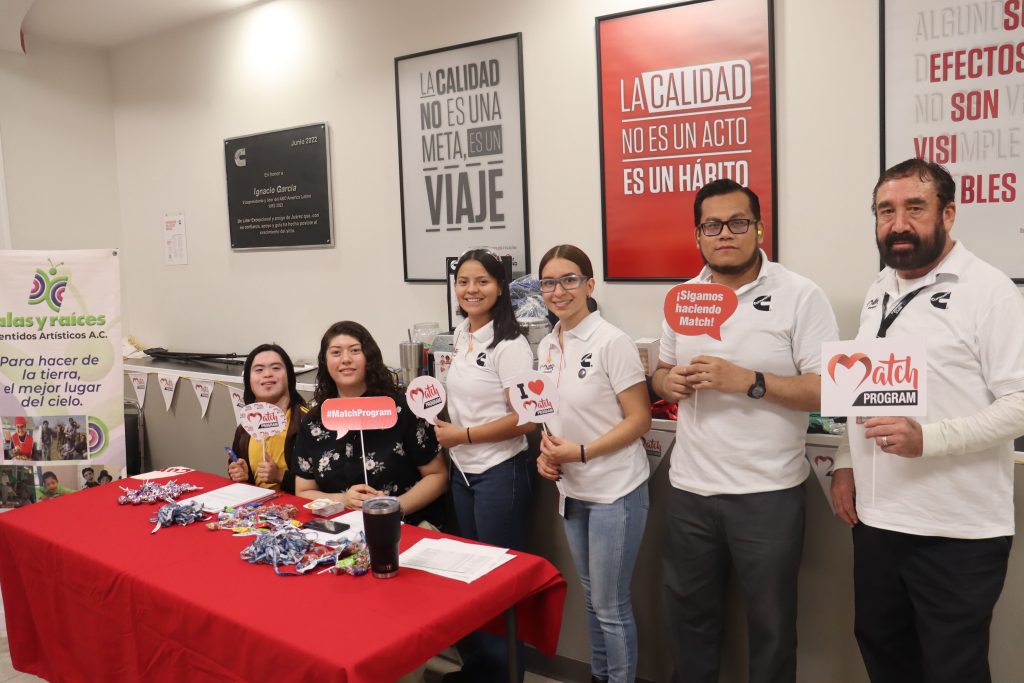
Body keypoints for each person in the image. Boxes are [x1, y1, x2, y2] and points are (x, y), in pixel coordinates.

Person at [830, 159, 1024, 683]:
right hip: (877, 523)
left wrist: (929, 439)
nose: (898, 224)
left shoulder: (990, 292)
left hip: (956, 532)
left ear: (949, 214)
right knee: (884, 654)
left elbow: (1021, 402)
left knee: (951, 670)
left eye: (915, 208)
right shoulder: (879, 290)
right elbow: (863, 391)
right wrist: (847, 461)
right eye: (885, 211)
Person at [653, 178, 839, 683]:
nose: (725, 234)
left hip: (768, 494)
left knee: (772, 630)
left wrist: (750, 382)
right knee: (689, 624)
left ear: (759, 228)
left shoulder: (800, 295)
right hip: (690, 489)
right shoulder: (684, 297)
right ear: (698, 236)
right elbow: (661, 371)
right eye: (712, 225)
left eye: (738, 222)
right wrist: (669, 381)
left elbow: (829, 389)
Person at [535, 244, 651, 683]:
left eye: (569, 280)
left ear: (589, 284)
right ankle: (600, 676)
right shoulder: (547, 345)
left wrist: (581, 452)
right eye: (549, 282)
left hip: (614, 491)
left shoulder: (611, 341)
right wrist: (547, 456)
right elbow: (550, 413)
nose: (558, 291)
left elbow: (639, 419)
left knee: (611, 606)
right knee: (590, 598)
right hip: (573, 490)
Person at [432, 249, 536, 682]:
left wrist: (465, 436)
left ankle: (505, 674)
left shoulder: (510, 344)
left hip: (500, 472)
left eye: (482, 281)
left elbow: (527, 419)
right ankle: (479, 670)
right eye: (463, 282)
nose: (471, 290)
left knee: (498, 581)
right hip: (463, 472)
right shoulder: (462, 333)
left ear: (500, 288)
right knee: (471, 577)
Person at [293, 321, 447, 528]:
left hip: (405, 525)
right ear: (325, 361)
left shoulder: (402, 409)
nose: (346, 359)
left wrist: (392, 507)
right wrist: (344, 500)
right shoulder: (314, 421)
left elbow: (438, 476)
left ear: (370, 357)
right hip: (339, 530)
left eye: (355, 351)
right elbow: (303, 491)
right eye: (336, 353)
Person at [227, 343, 309, 493]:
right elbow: (238, 469)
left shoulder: (307, 422)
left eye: (276, 368)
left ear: (289, 376)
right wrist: (242, 476)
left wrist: (280, 476)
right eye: (259, 370)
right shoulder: (246, 425)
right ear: (248, 380)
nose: (267, 374)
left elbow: (321, 482)